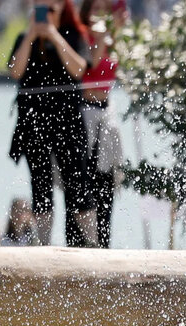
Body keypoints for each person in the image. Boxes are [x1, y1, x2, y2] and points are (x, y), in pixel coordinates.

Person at [8, 0, 96, 246]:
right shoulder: (24, 38)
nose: (46, 15)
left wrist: (54, 36)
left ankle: (91, 244)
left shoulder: (74, 35)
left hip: (68, 122)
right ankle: (44, 246)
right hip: (33, 123)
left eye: (51, 10)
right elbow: (15, 71)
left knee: (78, 185)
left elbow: (79, 69)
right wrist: (31, 35)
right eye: (41, 9)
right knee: (40, 187)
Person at [80, 0, 124, 248]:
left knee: (106, 180)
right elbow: (90, 65)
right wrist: (100, 39)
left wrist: (113, 32)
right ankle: (86, 240)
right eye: (96, 9)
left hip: (106, 113)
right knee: (86, 179)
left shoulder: (111, 38)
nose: (100, 14)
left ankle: (104, 241)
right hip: (85, 112)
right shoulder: (83, 36)